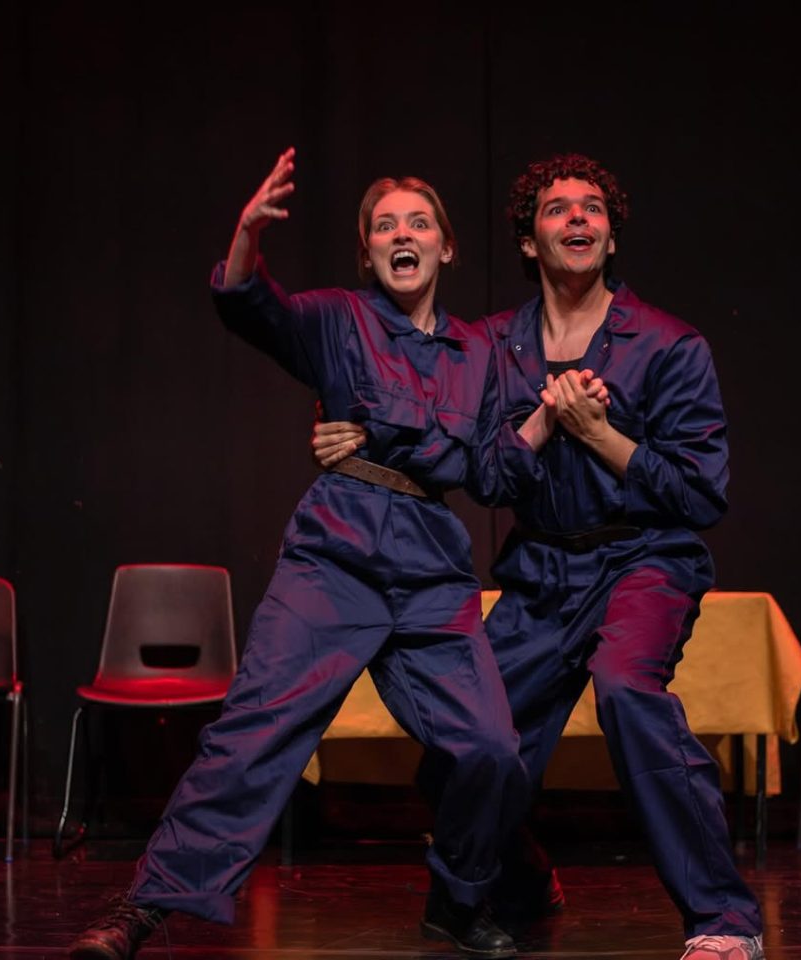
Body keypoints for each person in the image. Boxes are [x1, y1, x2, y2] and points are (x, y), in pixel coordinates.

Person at [68, 148, 545, 960]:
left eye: (419, 223)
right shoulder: (338, 318)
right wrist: (247, 234)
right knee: (252, 733)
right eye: (385, 226)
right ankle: (144, 908)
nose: (403, 235)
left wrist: (539, 421)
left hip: (430, 574)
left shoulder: (481, 355)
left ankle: (459, 901)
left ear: (447, 246)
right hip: (336, 558)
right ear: (368, 251)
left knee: (492, 752)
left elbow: (493, 474)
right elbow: (254, 309)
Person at [313, 153, 766, 960]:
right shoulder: (491, 346)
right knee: (465, 751)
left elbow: (702, 496)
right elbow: (433, 420)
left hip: (643, 560)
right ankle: (522, 883)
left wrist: (601, 436)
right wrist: (350, 432)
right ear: (530, 241)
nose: (578, 218)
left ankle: (724, 920)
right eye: (558, 209)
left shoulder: (668, 345)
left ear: (611, 236)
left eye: (593, 208)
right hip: (542, 574)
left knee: (629, 694)